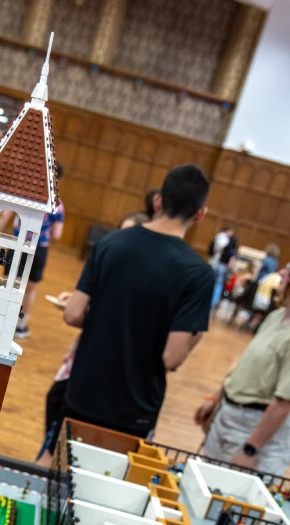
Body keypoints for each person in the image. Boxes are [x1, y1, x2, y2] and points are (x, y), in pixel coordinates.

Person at [62, 164, 214, 438]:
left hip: (84, 389)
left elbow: (73, 314)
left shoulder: (110, 243)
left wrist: (107, 320)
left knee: (63, 473)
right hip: (135, 406)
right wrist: (196, 337)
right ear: (200, 214)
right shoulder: (198, 273)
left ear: (158, 201)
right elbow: (172, 357)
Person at [36, 211, 147, 466]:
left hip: (102, 375)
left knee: (62, 441)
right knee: (55, 413)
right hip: (83, 360)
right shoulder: (112, 264)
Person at [195, 264, 290, 475]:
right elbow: (247, 365)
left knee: (230, 497)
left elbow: (284, 404)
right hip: (229, 413)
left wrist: (250, 449)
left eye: (288, 270)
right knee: (204, 482)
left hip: (255, 426)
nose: (281, 274)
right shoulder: (277, 316)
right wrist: (216, 398)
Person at [14, 161, 65, 339]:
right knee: (30, 289)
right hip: (39, 248)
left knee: (15, 283)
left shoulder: (25, 193)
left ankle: (4, 319)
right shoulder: (57, 204)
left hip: (19, 243)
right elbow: (57, 235)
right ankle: (20, 326)